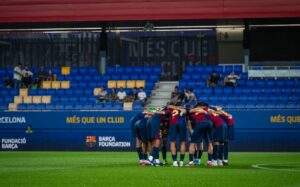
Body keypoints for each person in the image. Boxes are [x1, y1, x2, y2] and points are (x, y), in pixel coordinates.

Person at [187, 102, 214, 167]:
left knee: (192, 143)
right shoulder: (206, 109)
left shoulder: (193, 111)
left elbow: (190, 111)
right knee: (209, 142)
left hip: (200, 123)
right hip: (209, 124)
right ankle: (209, 162)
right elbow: (212, 111)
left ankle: (191, 163)